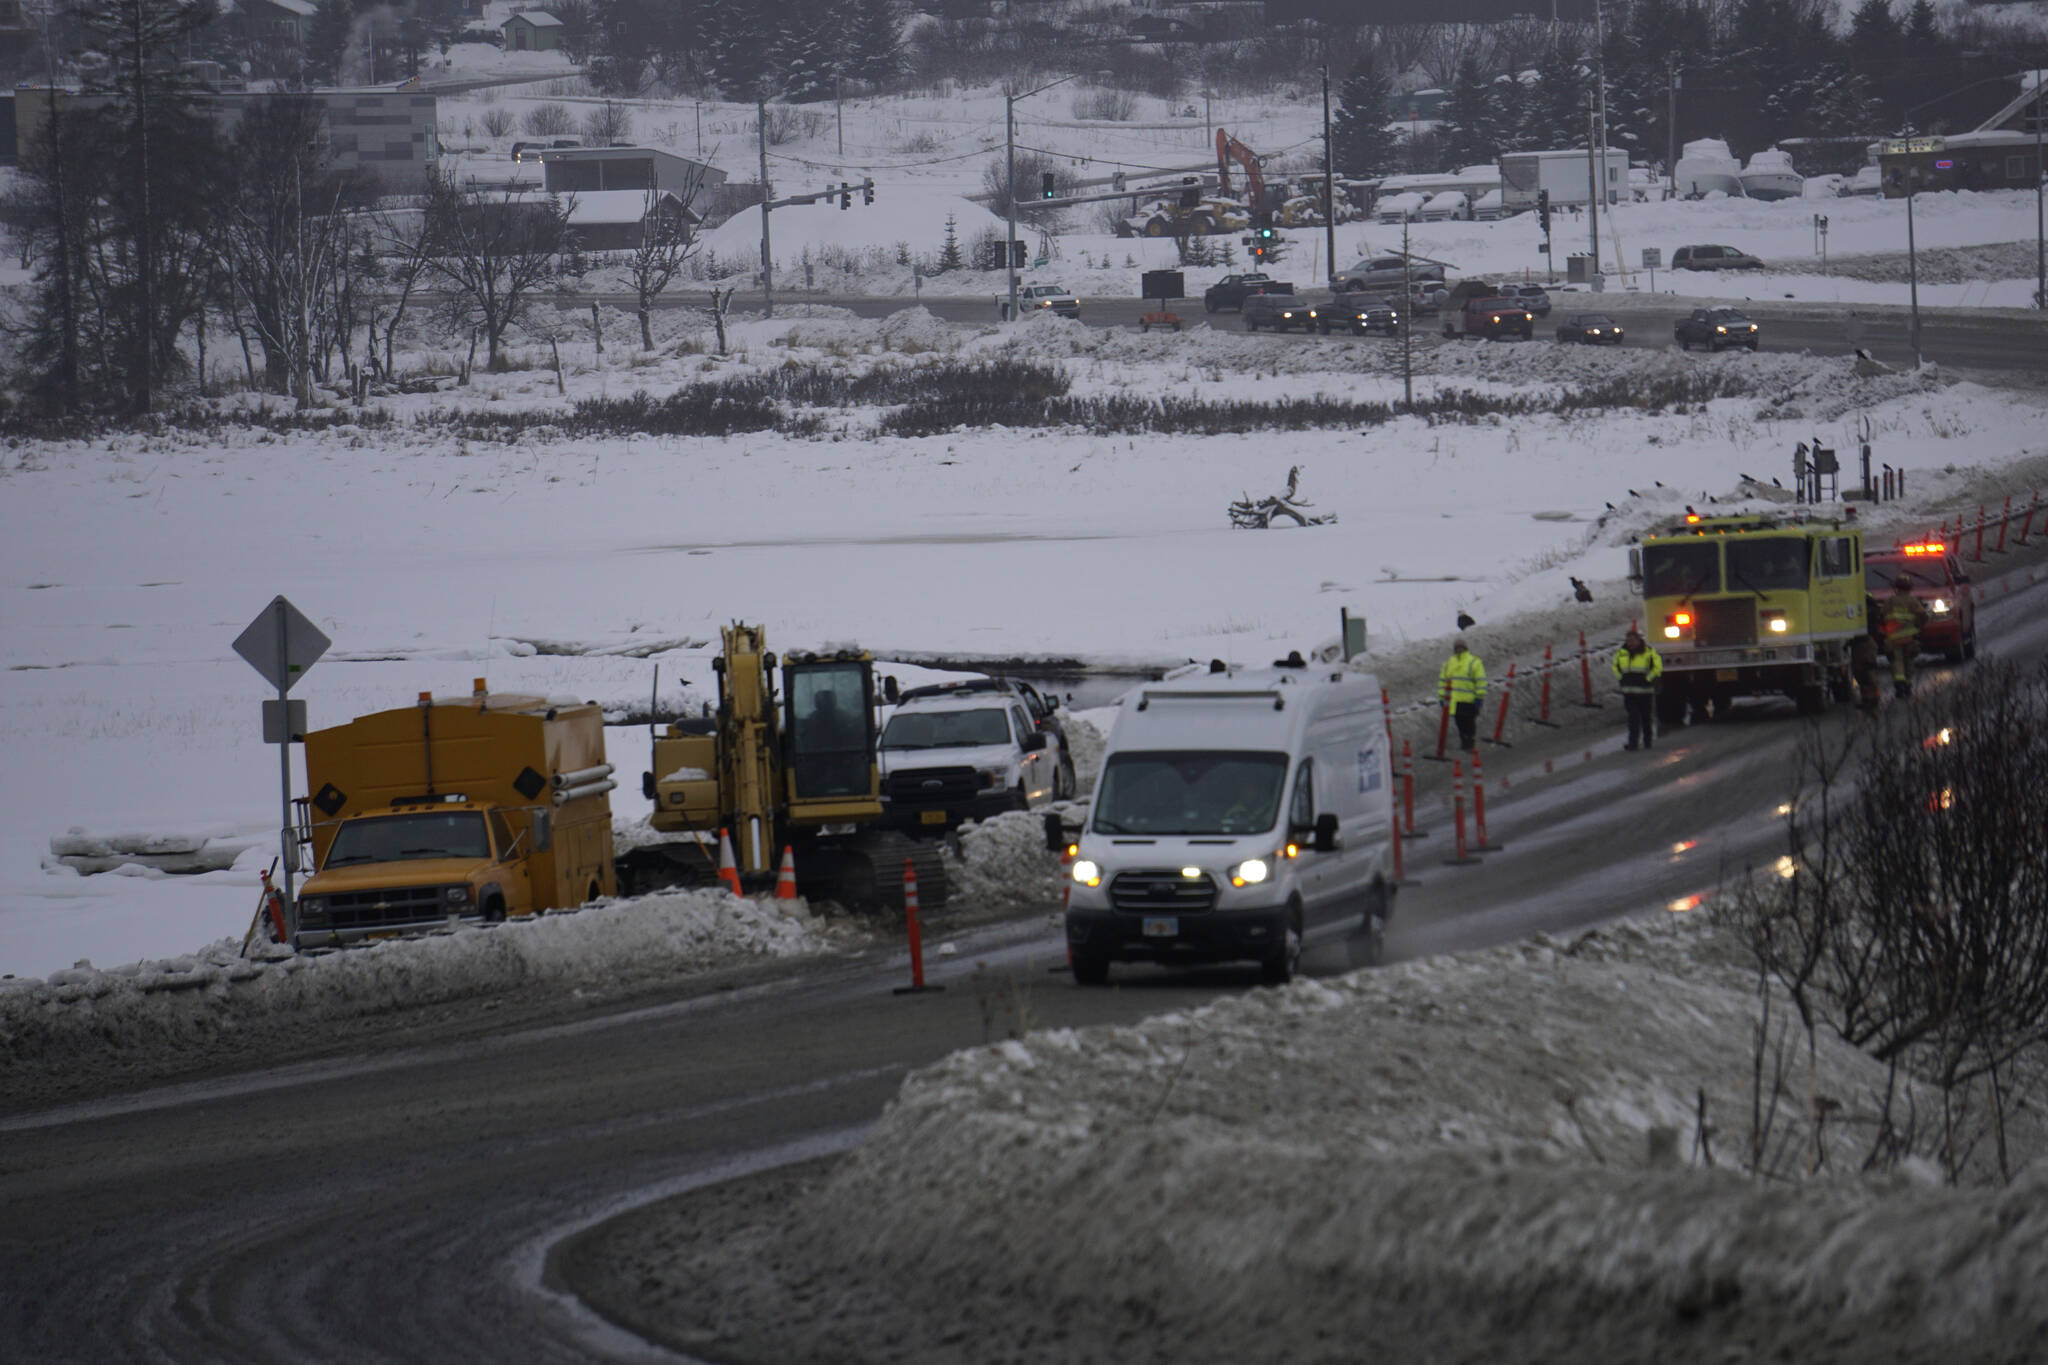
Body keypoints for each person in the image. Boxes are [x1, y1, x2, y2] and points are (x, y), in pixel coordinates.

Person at [1611, 628, 1663, 751]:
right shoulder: (1621, 653)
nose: (1630, 643)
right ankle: (1633, 743)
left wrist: (1648, 679)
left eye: (1633, 640)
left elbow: (1657, 668)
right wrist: (1621, 678)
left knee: (1646, 717)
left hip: (1645, 692)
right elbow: (1615, 667)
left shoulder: (1649, 652)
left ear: (1639, 640)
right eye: (1628, 640)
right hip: (1629, 693)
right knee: (1633, 718)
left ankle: (1647, 741)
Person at [1881, 575, 1930, 699]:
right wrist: (1919, 627)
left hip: (1893, 639)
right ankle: (1907, 686)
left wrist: (1884, 633)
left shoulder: (1890, 601)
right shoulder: (1913, 601)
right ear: (1909, 588)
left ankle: (1899, 685)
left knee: (1896, 662)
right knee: (1909, 662)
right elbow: (1924, 616)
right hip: (1910, 638)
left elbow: (1881, 616)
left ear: (1896, 588)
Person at [1438, 637, 1487, 753]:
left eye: (1461, 647)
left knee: (1469, 722)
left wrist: (1479, 697)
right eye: (1457, 648)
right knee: (1459, 723)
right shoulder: (1449, 663)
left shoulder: (1474, 662)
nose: (1459, 649)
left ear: (1465, 648)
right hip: (1455, 701)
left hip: (1470, 700)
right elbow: (1442, 682)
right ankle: (1464, 741)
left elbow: (1480, 680)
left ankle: (1470, 741)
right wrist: (1441, 697)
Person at [1850, 592, 1885, 712]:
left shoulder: (1869, 611)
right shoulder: (1871, 610)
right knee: (1860, 673)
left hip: (1865, 643)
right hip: (1860, 643)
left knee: (1867, 672)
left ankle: (1873, 700)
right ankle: (1867, 699)